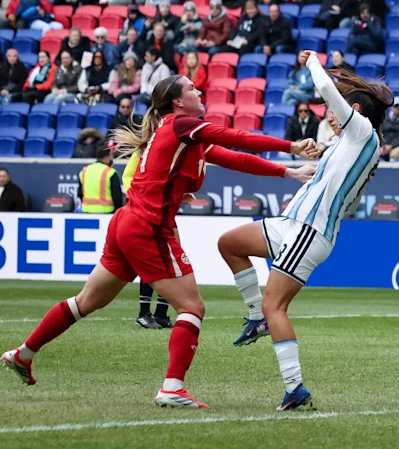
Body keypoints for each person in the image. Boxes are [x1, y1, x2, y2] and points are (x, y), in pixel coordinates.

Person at [2, 74, 317, 406]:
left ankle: (23, 354)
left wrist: (289, 172)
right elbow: (235, 136)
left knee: (86, 302)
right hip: (148, 226)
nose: (199, 91)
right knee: (192, 307)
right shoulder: (182, 125)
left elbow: (234, 157)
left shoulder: (181, 134)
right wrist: (290, 146)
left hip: (126, 222)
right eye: (192, 88)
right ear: (178, 101)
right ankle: (171, 387)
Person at [215, 53, 390, 409]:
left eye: (337, 110)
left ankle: (295, 387)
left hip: (309, 231)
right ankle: (255, 319)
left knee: (275, 305)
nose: (330, 114)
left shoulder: (362, 132)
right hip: (293, 225)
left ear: (354, 109)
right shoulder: (350, 143)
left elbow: (325, 86)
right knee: (229, 244)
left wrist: (312, 61)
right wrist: (302, 172)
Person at [79, 144, 122, 214]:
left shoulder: (84, 171)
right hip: (107, 212)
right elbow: (117, 196)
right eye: (111, 156)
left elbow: (80, 194)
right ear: (106, 157)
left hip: (86, 211)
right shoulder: (110, 172)